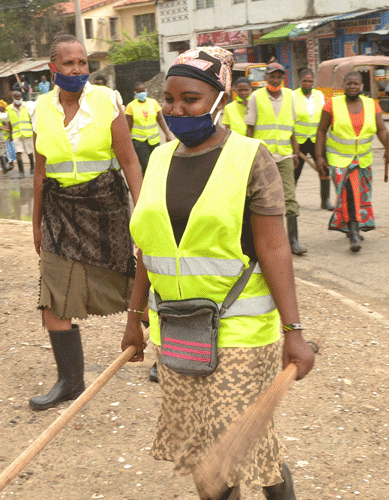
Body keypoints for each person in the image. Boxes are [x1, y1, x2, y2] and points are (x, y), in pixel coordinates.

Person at [121, 46, 315, 500]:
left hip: (241, 332)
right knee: (202, 448)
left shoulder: (252, 158)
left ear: (220, 99)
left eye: (189, 98)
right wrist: (134, 318)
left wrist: (295, 331)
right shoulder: (160, 160)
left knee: (228, 455)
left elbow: (274, 246)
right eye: (169, 99)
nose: (175, 110)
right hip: (179, 331)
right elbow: (150, 248)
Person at [31, 33, 143, 411]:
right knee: (53, 298)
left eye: (82, 63)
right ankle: (70, 380)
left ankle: (169, 356)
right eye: (69, 63)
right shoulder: (39, 109)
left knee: (138, 285)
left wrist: (143, 214)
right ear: (54, 68)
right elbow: (39, 171)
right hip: (59, 209)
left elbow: (129, 161)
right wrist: (35, 223)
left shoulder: (108, 101)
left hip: (105, 208)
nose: (78, 69)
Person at [316, 70, 389, 253]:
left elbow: (381, 129)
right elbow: (321, 131)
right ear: (344, 86)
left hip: (363, 158)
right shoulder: (331, 105)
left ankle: (352, 226)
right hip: (339, 158)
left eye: (355, 84)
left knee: (360, 194)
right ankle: (354, 231)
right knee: (349, 192)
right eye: (349, 83)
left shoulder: (372, 105)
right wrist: (319, 156)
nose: (352, 87)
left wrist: (388, 147)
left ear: (361, 86)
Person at [246, 62, 306, 256]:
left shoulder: (290, 96)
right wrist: (247, 154)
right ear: (267, 78)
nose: (275, 80)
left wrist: (295, 153)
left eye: (279, 76)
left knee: (289, 196)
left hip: (286, 154)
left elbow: (292, 128)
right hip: (263, 155)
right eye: (272, 76)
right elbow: (250, 128)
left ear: (283, 78)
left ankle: (294, 240)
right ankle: (259, 239)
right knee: (262, 198)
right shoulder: (256, 97)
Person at [292, 69, 332, 210]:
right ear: (300, 81)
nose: (308, 84)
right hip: (299, 141)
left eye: (310, 81)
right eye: (305, 81)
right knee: (294, 172)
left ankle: (325, 200)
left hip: (317, 140)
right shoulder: (293, 96)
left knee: (324, 169)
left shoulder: (319, 95)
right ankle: (290, 201)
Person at [126, 81, 171, 174]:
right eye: (139, 92)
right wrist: (127, 143)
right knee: (146, 165)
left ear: (146, 91)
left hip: (154, 140)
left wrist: (167, 133)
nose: (142, 93)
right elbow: (128, 126)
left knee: (156, 164)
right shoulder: (131, 106)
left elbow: (160, 119)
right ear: (135, 93)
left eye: (143, 91)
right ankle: (147, 185)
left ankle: (156, 184)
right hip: (139, 141)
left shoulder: (153, 102)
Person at [8, 90, 35, 177]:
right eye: (17, 97)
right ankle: (21, 172)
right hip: (16, 134)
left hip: (27, 133)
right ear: (13, 98)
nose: (19, 98)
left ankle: (32, 167)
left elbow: (32, 119)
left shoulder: (26, 106)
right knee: (18, 152)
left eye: (20, 96)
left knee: (29, 152)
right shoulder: (9, 108)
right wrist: (10, 134)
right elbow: (9, 122)